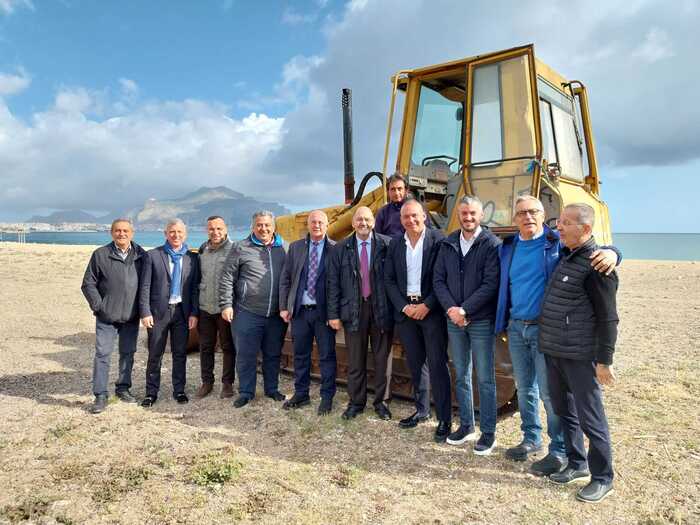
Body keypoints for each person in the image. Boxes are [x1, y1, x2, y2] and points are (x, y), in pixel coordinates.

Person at [495, 195, 620, 476]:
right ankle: (531, 439)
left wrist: (614, 252)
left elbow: (590, 248)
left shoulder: (556, 244)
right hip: (516, 326)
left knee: (551, 395)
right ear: (514, 218)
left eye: (533, 212)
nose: (527, 217)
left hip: (547, 330)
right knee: (525, 387)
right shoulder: (508, 246)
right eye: (521, 213)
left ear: (542, 216)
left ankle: (559, 449)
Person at [539, 203, 619, 504]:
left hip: (580, 356)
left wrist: (604, 361)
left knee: (591, 417)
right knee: (564, 411)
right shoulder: (566, 255)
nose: (558, 227)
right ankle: (577, 463)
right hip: (555, 350)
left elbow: (608, 317)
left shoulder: (599, 265)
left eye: (565, 223)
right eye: (558, 221)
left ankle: (602, 478)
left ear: (585, 230)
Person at [433, 195, 500, 455]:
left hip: (479, 320)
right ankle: (467, 425)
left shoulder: (491, 244)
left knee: (485, 378)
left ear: (480, 215)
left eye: (473, 213)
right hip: (454, 321)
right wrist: (451, 309)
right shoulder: (448, 243)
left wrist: (464, 309)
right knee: (461, 375)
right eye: (464, 214)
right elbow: (439, 280)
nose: (468, 218)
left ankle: (489, 433)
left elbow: (490, 283)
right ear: (458, 216)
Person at [384, 199, 452, 442]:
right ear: (401, 220)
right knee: (416, 364)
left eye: (415, 215)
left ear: (424, 215)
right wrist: (404, 307)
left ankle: (444, 418)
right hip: (406, 312)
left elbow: (443, 278)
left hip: (430, 311)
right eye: (405, 217)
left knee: (437, 364)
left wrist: (427, 305)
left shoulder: (439, 240)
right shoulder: (395, 244)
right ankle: (422, 410)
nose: (410, 220)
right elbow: (389, 280)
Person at [327, 206, 393, 420]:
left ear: (373, 221)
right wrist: (333, 314)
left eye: (367, 219)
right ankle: (356, 402)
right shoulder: (341, 248)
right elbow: (333, 284)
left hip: (381, 308)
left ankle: (381, 402)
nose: (363, 223)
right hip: (354, 310)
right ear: (353, 223)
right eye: (359, 220)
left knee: (383, 360)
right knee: (356, 360)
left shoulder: (387, 245)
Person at [374, 173, 430, 414]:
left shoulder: (417, 215)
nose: (396, 193)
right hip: (394, 273)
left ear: (406, 190)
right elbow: (376, 239)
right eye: (392, 190)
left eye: (400, 189)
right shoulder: (384, 213)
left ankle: (425, 402)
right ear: (388, 191)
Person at [219, 210, 287, 408]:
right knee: (246, 355)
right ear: (253, 226)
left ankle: (272, 389)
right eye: (259, 225)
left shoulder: (284, 248)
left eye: (267, 225)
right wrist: (226, 304)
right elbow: (226, 278)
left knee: (273, 354)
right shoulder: (241, 247)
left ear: (273, 227)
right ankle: (247, 392)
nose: (263, 229)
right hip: (247, 312)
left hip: (275, 315)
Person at [81, 219, 146, 413]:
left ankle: (123, 388)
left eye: (125, 231)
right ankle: (100, 395)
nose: (121, 234)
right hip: (106, 316)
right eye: (117, 231)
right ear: (111, 233)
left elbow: (147, 283)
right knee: (103, 354)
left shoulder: (141, 255)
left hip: (131, 316)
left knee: (128, 353)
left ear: (132, 233)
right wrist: (99, 306)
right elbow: (88, 284)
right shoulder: (100, 255)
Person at [279, 210, 337, 415]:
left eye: (321, 222)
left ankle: (327, 397)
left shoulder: (335, 249)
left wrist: (334, 313)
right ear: (308, 225)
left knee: (327, 356)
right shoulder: (295, 248)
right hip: (301, 312)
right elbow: (286, 279)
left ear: (327, 224)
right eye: (313, 222)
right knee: (301, 355)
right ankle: (301, 394)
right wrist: (285, 306)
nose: (317, 225)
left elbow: (339, 284)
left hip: (324, 314)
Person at [139, 218, 199, 407]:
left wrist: (194, 313)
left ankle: (179, 390)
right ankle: (151, 392)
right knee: (155, 353)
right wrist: (145, 312)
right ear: (165, 234)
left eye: (180, 232)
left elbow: (195, 289)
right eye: (172, 232)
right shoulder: (153, 256)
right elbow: (145, 286)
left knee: (180, 353)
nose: (176, 235)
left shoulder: (192, 258)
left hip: (182, 312)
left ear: (185, 234)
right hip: (158, 313)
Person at [195, 215, 236, 400]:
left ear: (226, 229)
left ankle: (227, 384)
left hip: (225, 308)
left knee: (228, 346)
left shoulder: (234, 250)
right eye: (211, 228)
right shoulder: (203, 250)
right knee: (206, 347)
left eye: (219, 228)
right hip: (205, 307)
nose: (215, 232)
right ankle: (207, 382)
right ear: (207, 230)